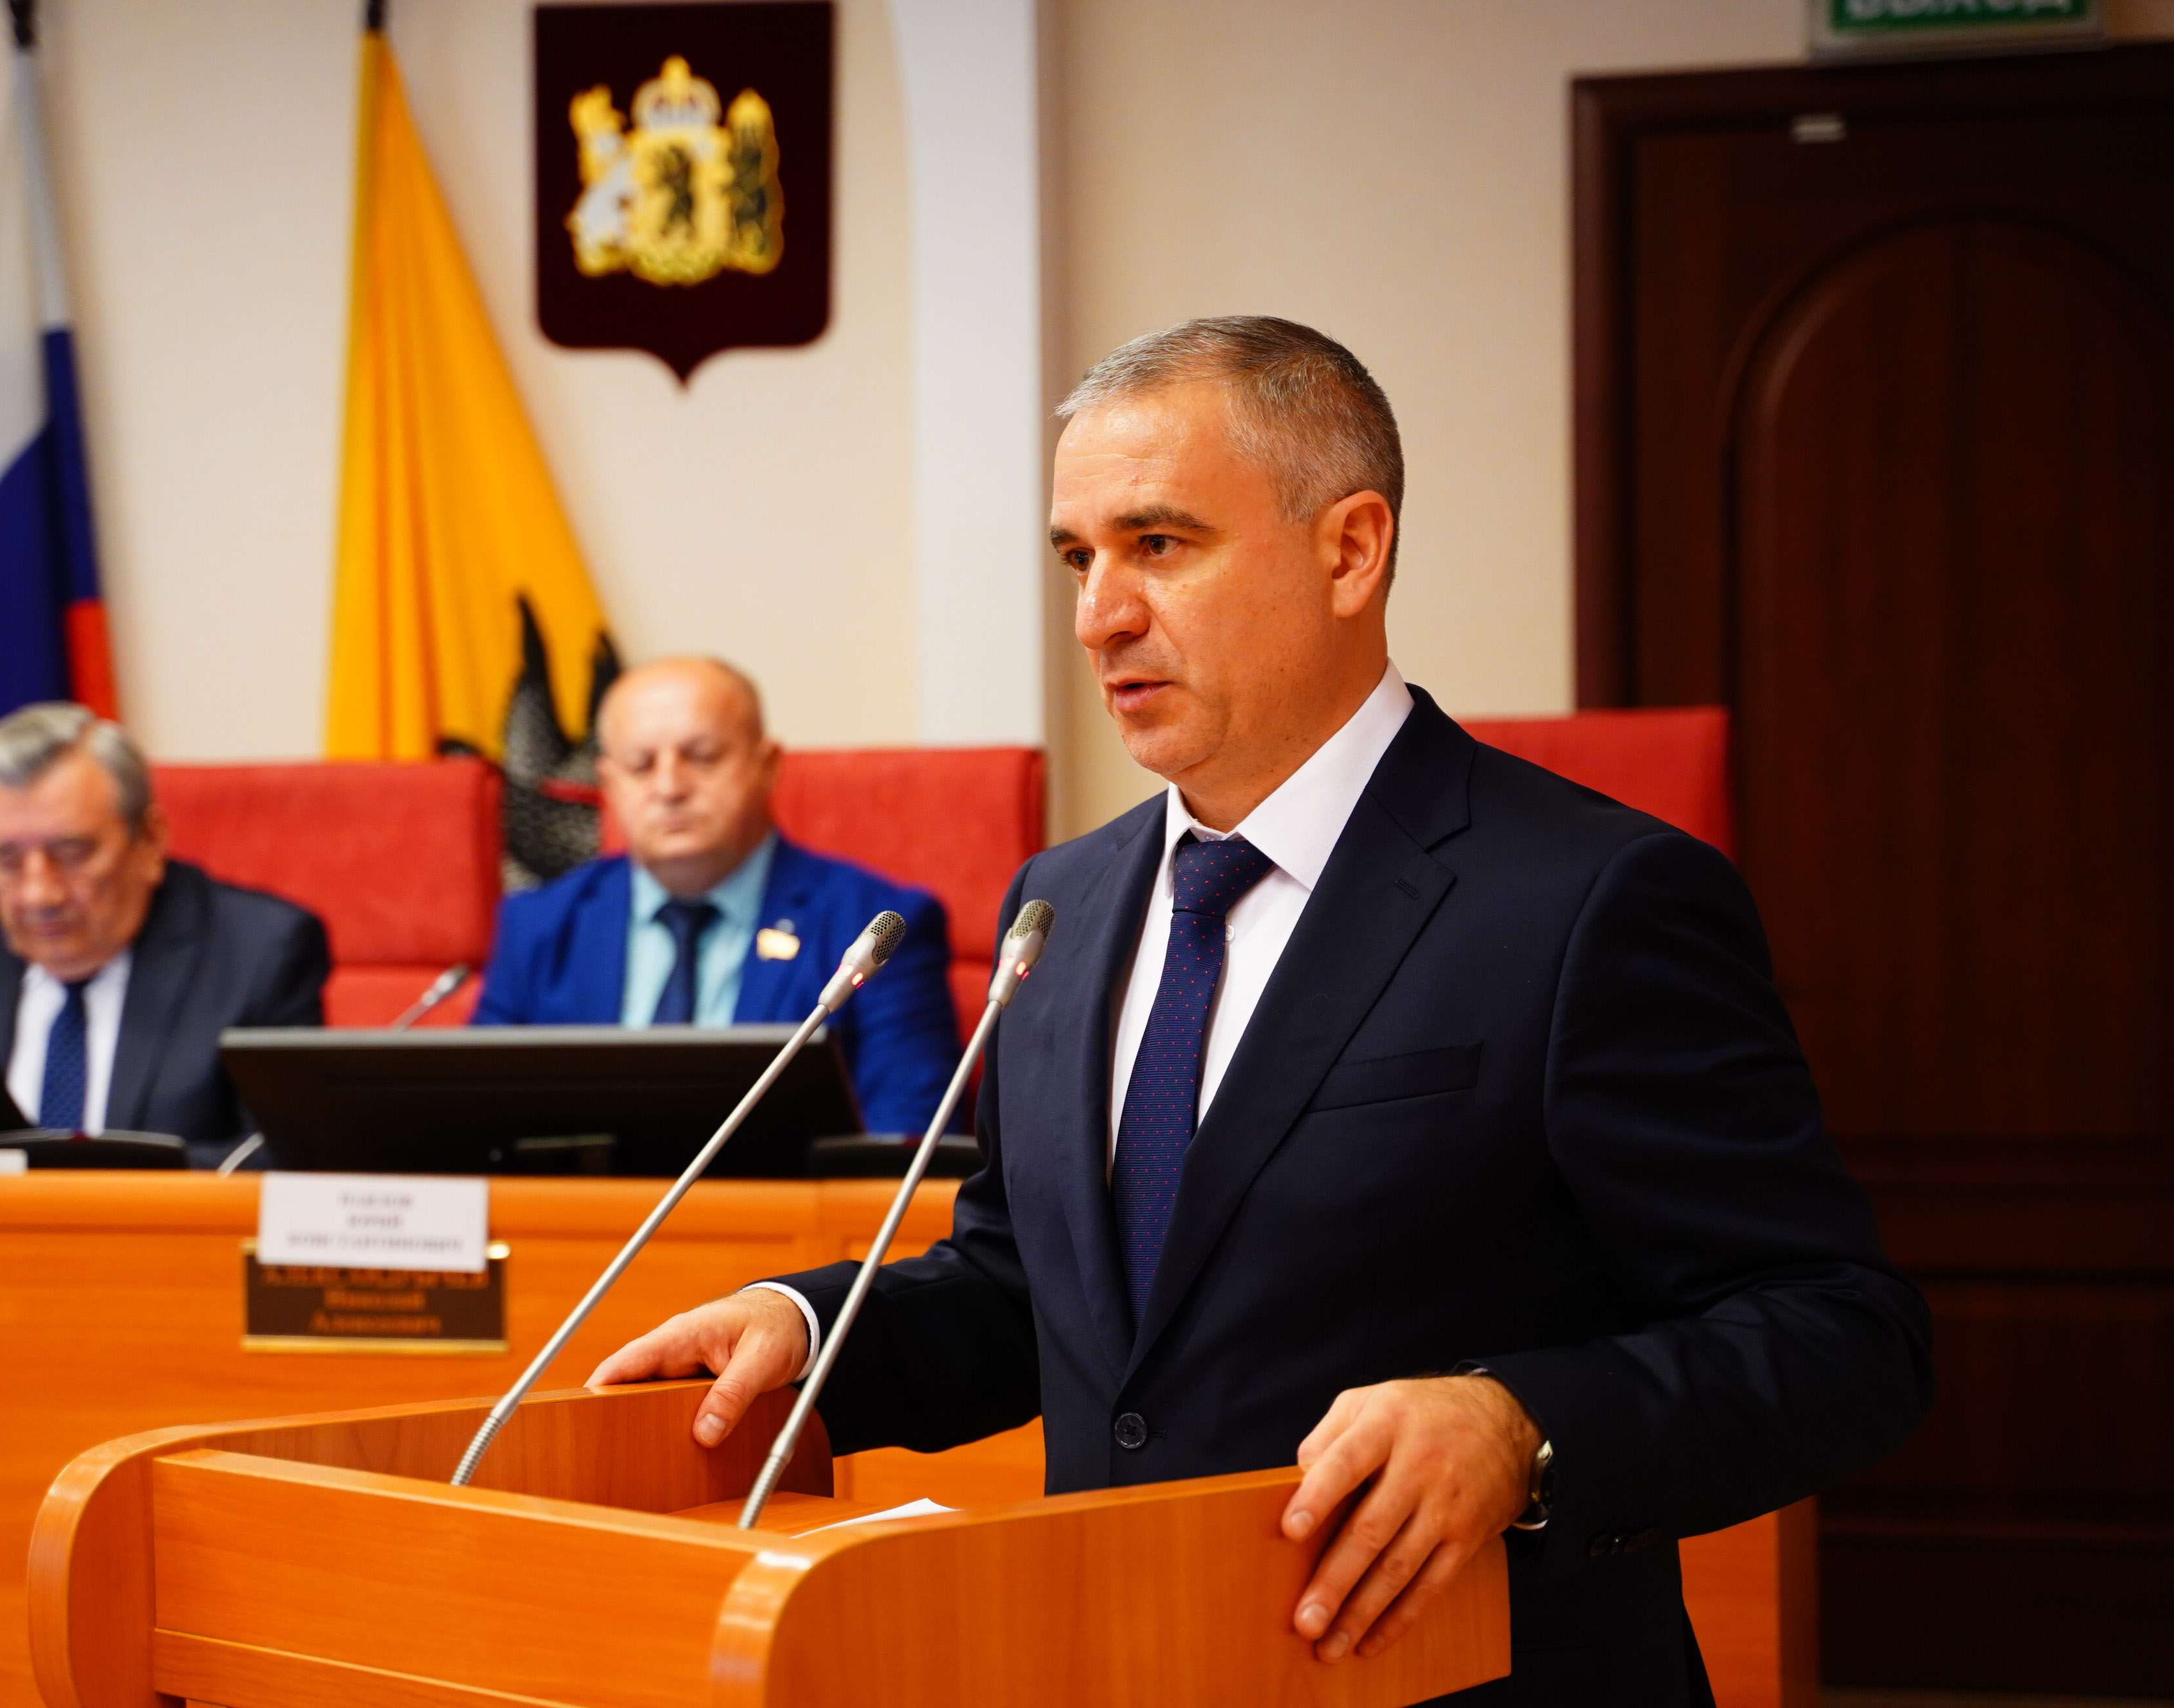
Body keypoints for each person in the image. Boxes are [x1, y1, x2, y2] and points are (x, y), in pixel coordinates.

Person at [590, 318, 1932, 1702]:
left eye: (1159, 544)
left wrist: (1524, 1423)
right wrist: (809, 1330)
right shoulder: (1062, 900)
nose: (1099, 615)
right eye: (1078, 556)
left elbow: (1842, 1330)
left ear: (1350, 550)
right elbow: (1031, 1290)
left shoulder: (1594, 895)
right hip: (1121, 1663)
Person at [473, 657, 961, 1136]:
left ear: (767, 765)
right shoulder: (538, 924)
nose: (669, 788)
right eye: (641, 766)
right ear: (609, 785)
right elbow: (477, 1120)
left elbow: (910, 1138)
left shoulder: (873, 930)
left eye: (702, 757)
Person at [0, 702, 328, 1165]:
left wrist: (86, 1186)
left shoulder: (259, 953)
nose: (39, 895)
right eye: (7, 861)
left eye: (72, 854)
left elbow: (281, 1160)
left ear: (150, 840)